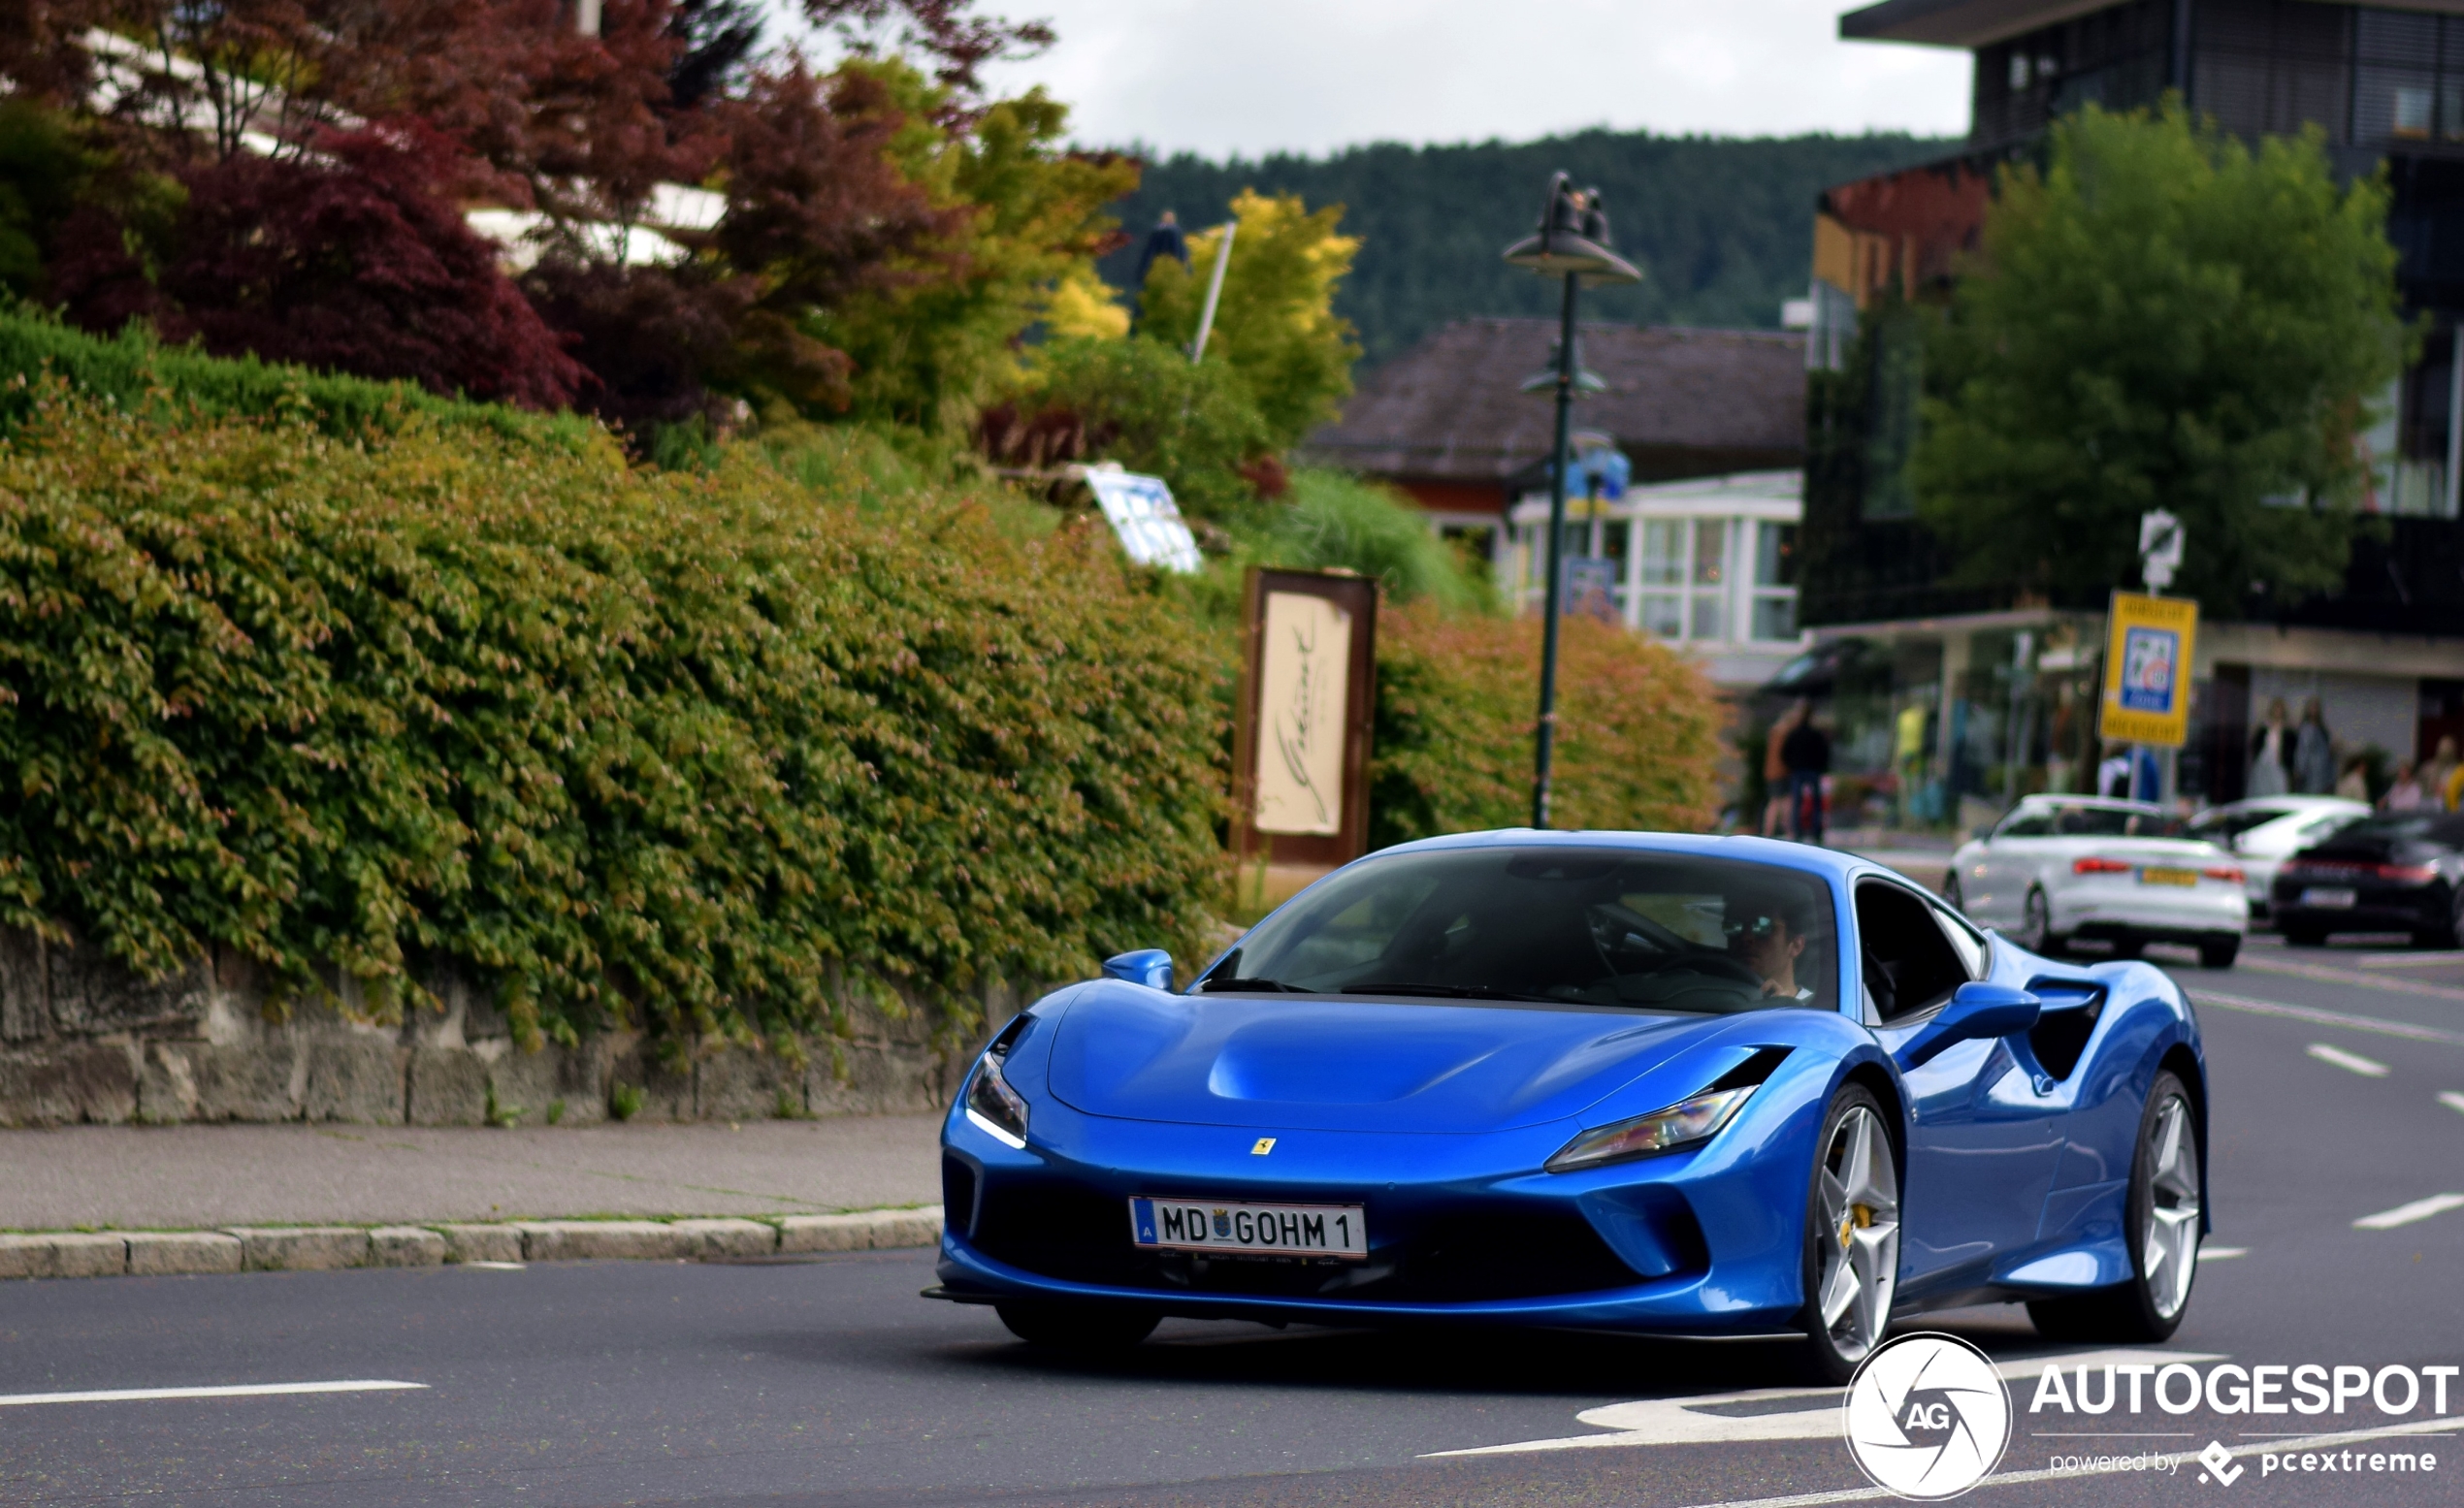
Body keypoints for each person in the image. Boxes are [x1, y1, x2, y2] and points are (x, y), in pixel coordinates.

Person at [1731, 899, 1814, 1001]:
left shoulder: (1816, 1009)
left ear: (1796, 945)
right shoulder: (1715, 1001)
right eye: (1733, 926)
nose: (1745, 937)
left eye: (1763, 927)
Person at [1779, 705, 1832, 845]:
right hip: (1813, 770)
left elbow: (1785, 752)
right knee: (1816, 803)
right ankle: (1815, 832)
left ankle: (1797, 832)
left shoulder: (1794, 734)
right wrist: (1821, 767)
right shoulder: (1816, 734)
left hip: (1798, 770)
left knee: (1797, 802)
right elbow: (1824, 751)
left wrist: (1791, 765)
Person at [1762, 702, 1803, 837]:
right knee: (1784, 802)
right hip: (1783, 771)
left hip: (1771, 772)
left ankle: (1768, 831)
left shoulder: (1774, 731)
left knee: (1775, 802)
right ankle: (1787, 830)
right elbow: (1786, 754)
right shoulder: (1786, 733)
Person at [2248, 698, 2292, 798]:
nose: (2278, 712)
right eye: (2276, 709)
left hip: (2279, 763)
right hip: (2264, 763)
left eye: (2280, 709)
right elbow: (2256, 744)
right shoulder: (2264, 728)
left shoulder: (2287, 730)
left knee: (2279, 788)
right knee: (2262, 788)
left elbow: (2289, 749)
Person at [2293, 697, 2336, 795]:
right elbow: (2303, 750)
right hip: (2311, 771)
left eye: (2316, 708)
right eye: (2312, 707)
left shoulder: (2322, 728)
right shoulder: (2306, 728)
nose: (2314, 710)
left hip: (2323, 769)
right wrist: (2300, 769)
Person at [2427, 736, 2462, 812]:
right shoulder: (2429, 768)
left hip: (2451, 806)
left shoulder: (2459, 770)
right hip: (2432, 803)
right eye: (2443, 748)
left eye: (2448, 748)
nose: (2445, 751)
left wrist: (2446, 789)